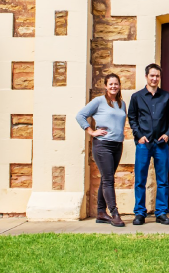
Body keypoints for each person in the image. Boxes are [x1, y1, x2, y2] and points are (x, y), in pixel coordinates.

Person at [127, 63, 169, 225]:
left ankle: (161, 212)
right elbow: (132, 118)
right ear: (146, 76)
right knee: (140, 179)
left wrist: (168, 134)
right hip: (143, 143)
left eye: (157, 76)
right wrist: (139, 135)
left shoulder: (166, 96)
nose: (154, 78)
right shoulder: (137, 97)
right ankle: (140, 213)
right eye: (152, 76)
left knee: (162, 180)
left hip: (161, 144)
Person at [76, 73, 127, 226]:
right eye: (110, 84)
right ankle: (114, 213)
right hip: (103, 144)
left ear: (119, 86)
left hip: (117, 145)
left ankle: (100, 212)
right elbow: (80, 116)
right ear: (105, 86)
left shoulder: (122, 103)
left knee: (106, 178)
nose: (113, 86)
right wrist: (91, 131)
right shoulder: (98, 101)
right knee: (108, 179)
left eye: (116, 84)